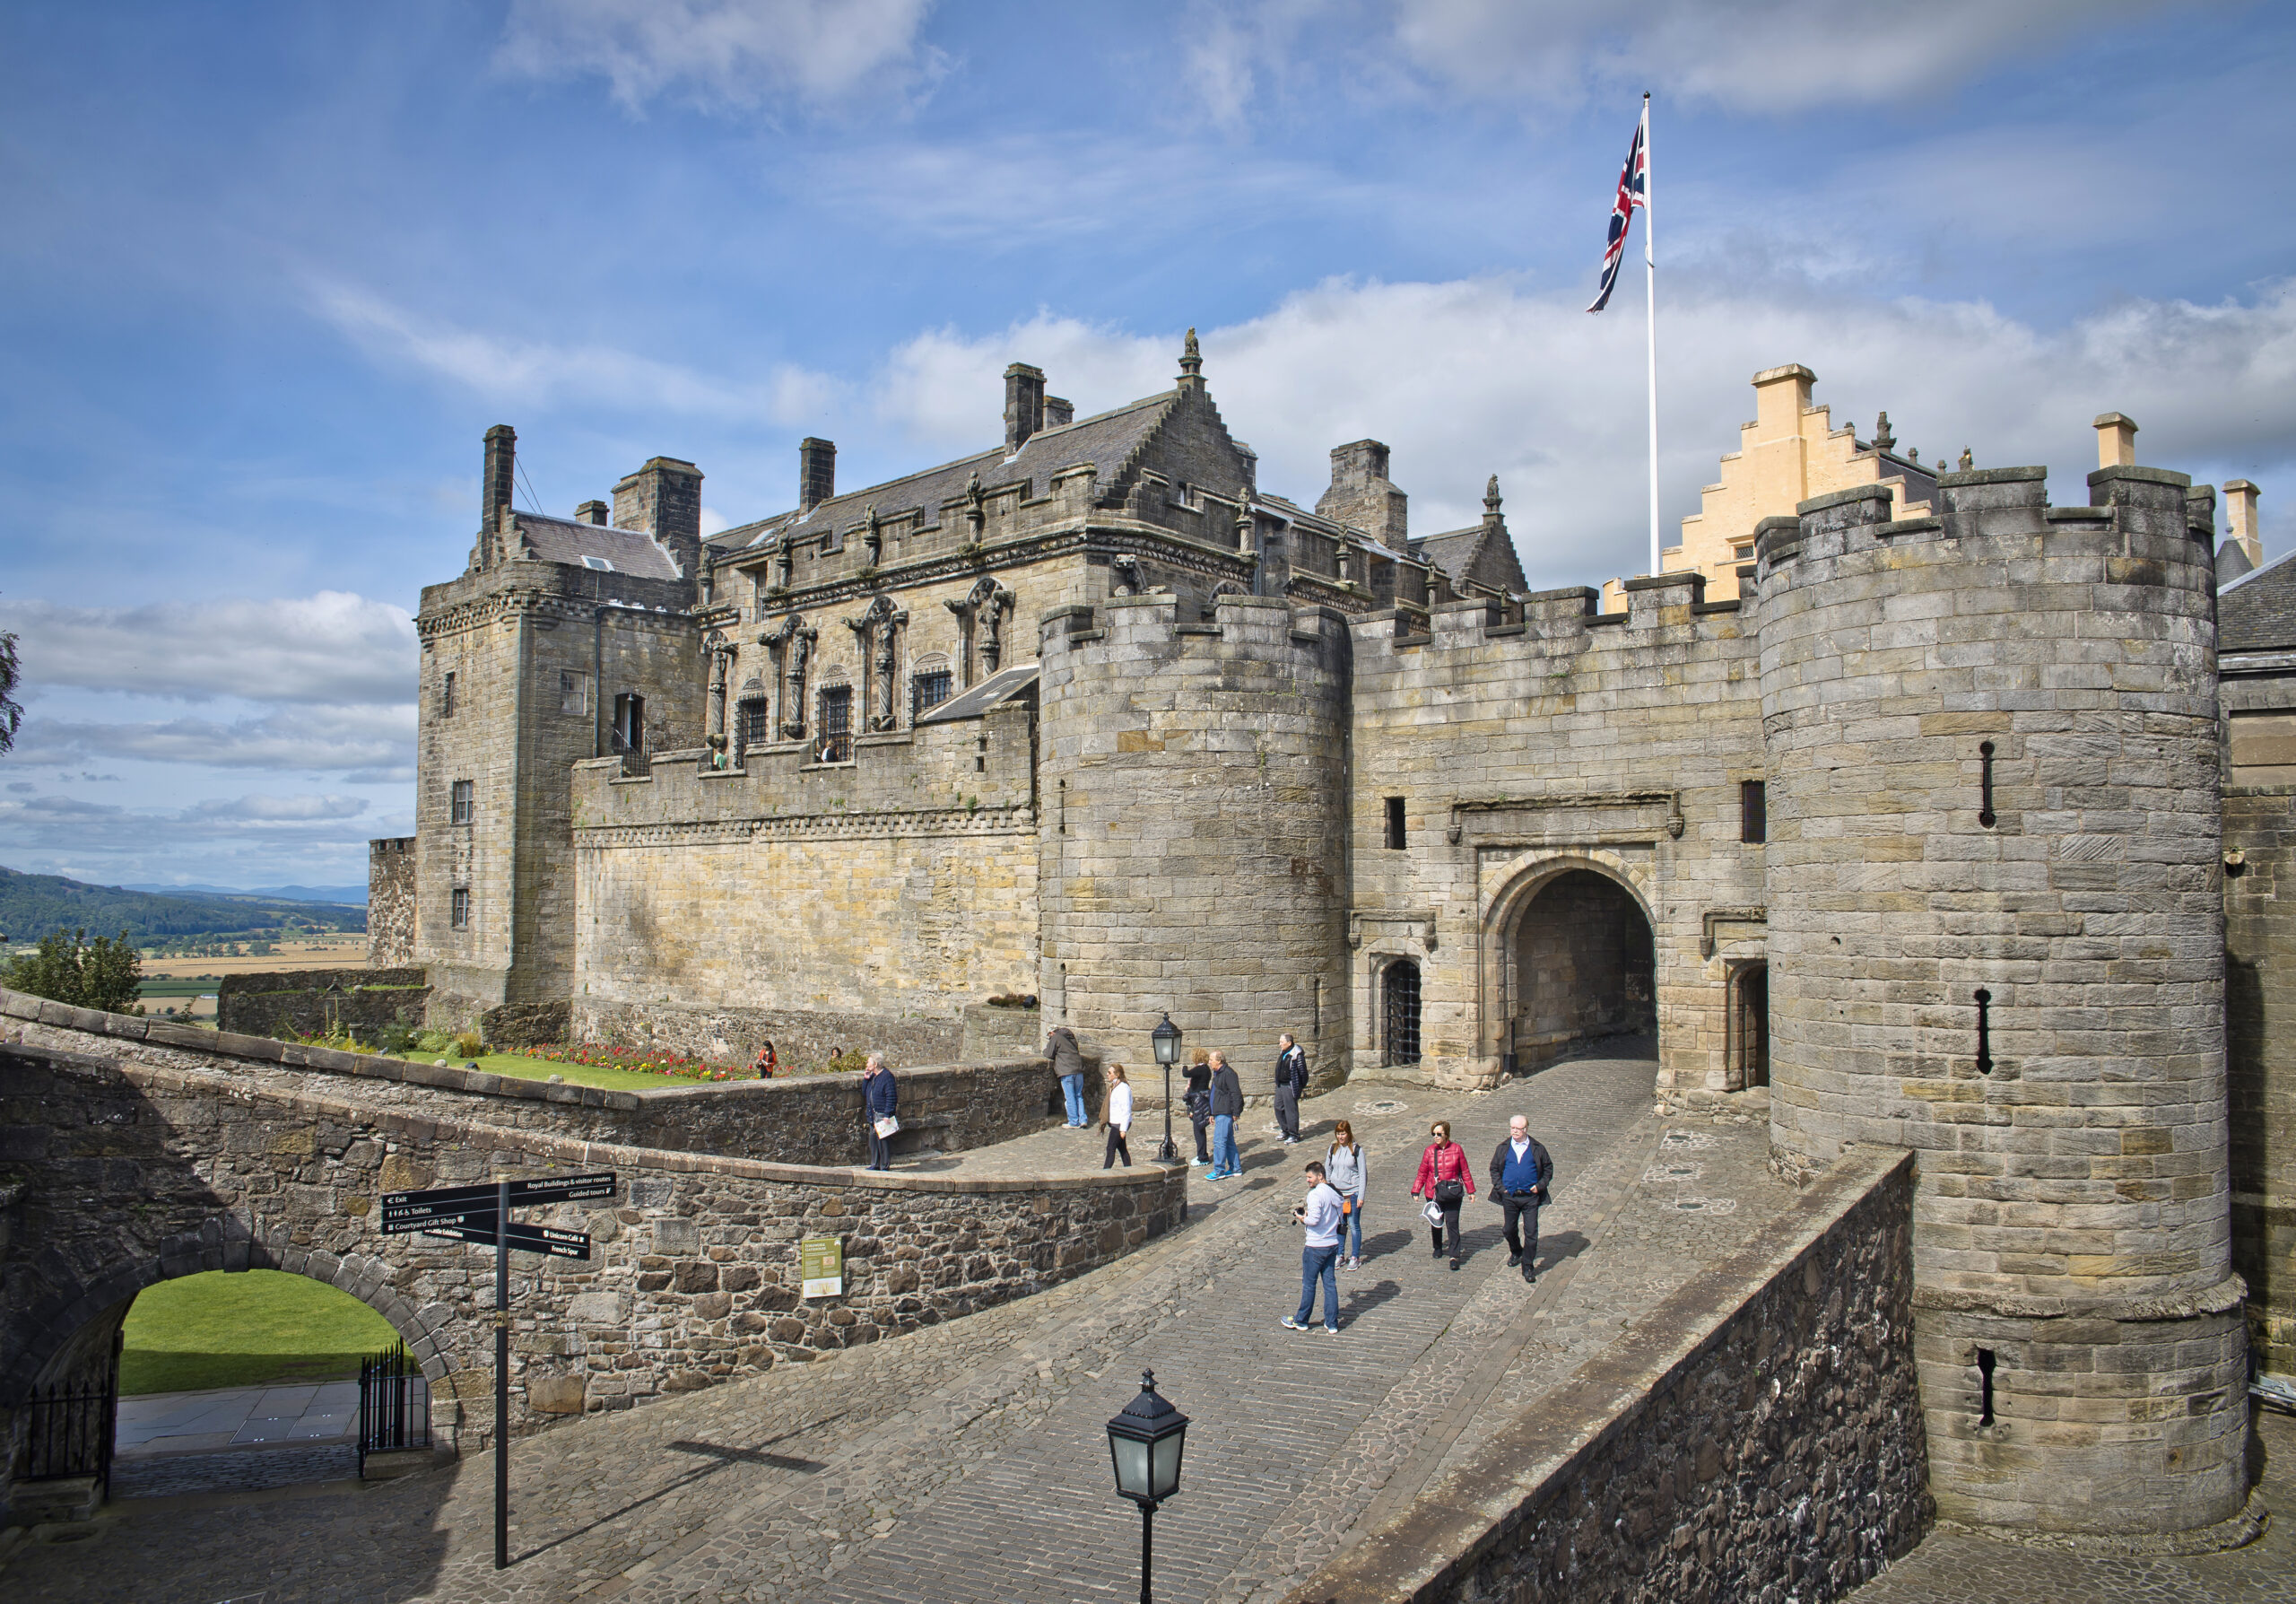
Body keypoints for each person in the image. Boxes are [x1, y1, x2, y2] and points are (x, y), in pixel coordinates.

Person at [1282, 1160, 1345, 1333]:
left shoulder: (1315, 1195)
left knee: (1309, 1284)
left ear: (1320, 1176)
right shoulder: (1334, 1192)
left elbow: (1315, 1220)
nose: (1308, 1181)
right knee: (1330, 1284)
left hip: (1316, 1245)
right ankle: (1332, 1323)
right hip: (1332, 1243)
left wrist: (1302, 1217)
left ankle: (1301, 1320)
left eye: (1310, 1177)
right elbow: (1332, 1212)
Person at [1490, 1115, 1554, 1284]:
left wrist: (1539, 1186)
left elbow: (1548, 1168)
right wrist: (1501, 1188)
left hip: (1530, 1198)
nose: (1515, 1132)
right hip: (1510, 1197)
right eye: (1512, 1128)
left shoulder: (1537, 1148)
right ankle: (1517, 1251)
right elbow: (1494, 1169)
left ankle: (1528, 1266)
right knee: (1508, 1230)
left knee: (1531, 1232)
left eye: (1518, 1129)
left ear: (1526, 1129)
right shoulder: (1503, 1148)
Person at [1410, 1119, 1475, 1269]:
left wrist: (1471, 1190)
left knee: (1452, 1223)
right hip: (1434, 1193)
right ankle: (1437, 1246)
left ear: (1447, 1134)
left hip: (1452, 1192)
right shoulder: (1429, 1151)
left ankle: (1454, 1255)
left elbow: (1465, 1170)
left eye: (1439, 1134)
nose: (1436, 1136)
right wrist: (1416, 1190)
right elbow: (1422, 1172)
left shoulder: (1457, 1149)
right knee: (1436, 1222)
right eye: (1433, 1134)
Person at [1325, 1119, 1368, 1268]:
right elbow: (1328, 1170)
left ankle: (1355, 1256)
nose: (1340, 1137)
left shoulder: (1357, 1151)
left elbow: (1362, 1174)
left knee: (1353, 1225)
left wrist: (1361, 1196)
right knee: (1340, 1225)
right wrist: (1329, 1189)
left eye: (1343, 1133)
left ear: (1348, 1134)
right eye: (1338, 1134)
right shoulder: (1332, 1149)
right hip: (1338, 1194)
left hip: (1353, 1194)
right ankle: (1340, 1254)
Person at [1207, 1050, 1243, 1179]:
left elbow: (1236, 1093)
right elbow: (1215, 1094)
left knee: (1219, 1142)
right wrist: (1211, 1112)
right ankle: (1235, 1168)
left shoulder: (1229, 1074)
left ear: (1219, 1061)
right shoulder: (1217, 1074)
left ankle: (1219, 1170)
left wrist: (1236, 1112)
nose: (1209, 1062)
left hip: (1225, 1112)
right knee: (1229, 1142)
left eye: (1211, 1060)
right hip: (1218, 1111)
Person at [1047, 1023, 1088, 1129]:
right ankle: (1083, 1120)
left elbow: (1049, 1053)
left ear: (1051, 1032)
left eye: (1049, 1035)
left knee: (1070, 1097)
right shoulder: (1070, 1037)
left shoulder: (1055, 1037)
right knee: (1078, 1095)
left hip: (1067, 1071)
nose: (1049, 1037)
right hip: (1078, 1069)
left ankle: (1073, 1122)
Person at [862, 1054, 898, 1171]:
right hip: (873, 1114)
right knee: (873, 1140)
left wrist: (888, 1114)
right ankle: (875, 1164)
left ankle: (884, 1166)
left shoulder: (887, 1077)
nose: (867, 1065)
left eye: (868, 1062)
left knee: (883, 1141)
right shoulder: (873, 1077)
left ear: (875, 1064)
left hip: (882, 1114)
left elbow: (891, 1097)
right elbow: (864, 1092)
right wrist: (866, 1079)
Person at [1182, 1048, 1214, 1165]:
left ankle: (1202, 1157)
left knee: (1198, 1130)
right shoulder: (1205, 1069)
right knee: (1199, 1129)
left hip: (1199, 1102)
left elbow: (1186, 1073)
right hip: (1199, 1100)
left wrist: (1184, 1066)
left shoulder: (1200, 1068)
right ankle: (1202, 1155)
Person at [1274, 1033, 1307, 1145]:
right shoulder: (1283, 1052)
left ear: (1289, 1043)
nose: (1280, 1044)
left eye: (1282, 1042)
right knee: (1278, 1107)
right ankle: (1285, 1130)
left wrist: (1299, 1086)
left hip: (1290, 1086)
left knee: (1291, 1111)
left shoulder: (1297, 1054)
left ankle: (1294, 1135)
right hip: (1280, 1085)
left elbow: (1303, 1073)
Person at [1102, 1063, 1135, 1169]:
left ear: (1117, 1074)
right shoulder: (1114, 1087)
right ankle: (1129, 1169)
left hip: (1119, 1123)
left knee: (1110, 1148)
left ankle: (1105, 1172)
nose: (1107, 1074)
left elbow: (1126, 1109)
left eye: (1109, 1073)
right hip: (1116, 1122)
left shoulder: (1123, 1088)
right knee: (1122, 1148)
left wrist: (1123, 1129)